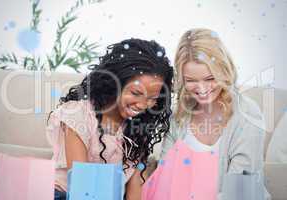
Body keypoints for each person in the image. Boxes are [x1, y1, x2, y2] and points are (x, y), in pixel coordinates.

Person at [46, 38, 173, 200]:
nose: (142, 105)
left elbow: (136, 188)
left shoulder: (137, 129)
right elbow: (82, 187)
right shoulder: (78, 114)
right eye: (135, 93)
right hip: (65, 195)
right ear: (114, 83)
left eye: (152, 98)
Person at [160, 28, 270, 199]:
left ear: (223, 72)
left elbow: (240, 192)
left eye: (210, 78)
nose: (202, 89)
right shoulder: (179, 117)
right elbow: (165, 177)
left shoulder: (247, 114)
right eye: (191, 80)